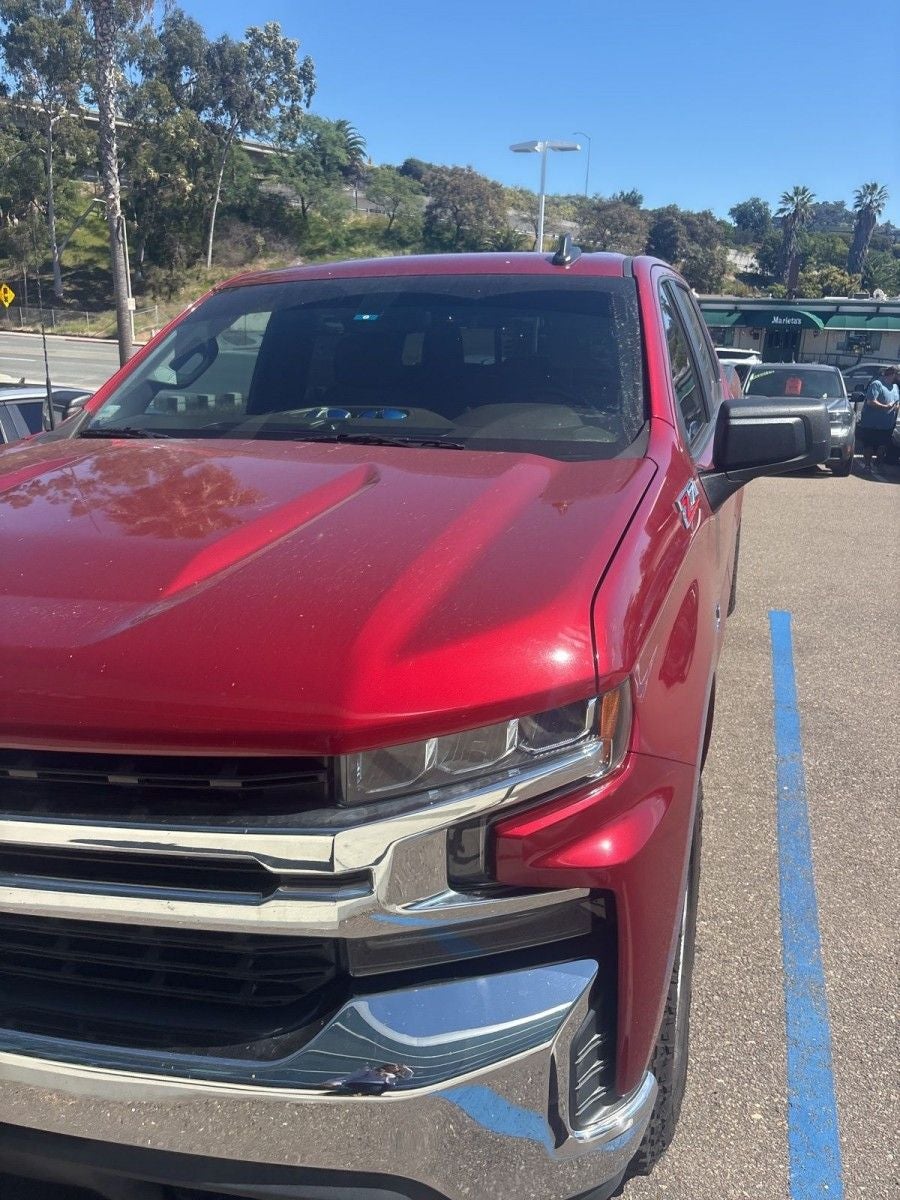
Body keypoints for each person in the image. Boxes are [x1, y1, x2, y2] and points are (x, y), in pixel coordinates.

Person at [856, 364, 899, 472]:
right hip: (872, 424)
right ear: (894, 374)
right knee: (869, 446)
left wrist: (896, 406)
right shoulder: (877, 384)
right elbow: (871, 401)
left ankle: (878, 465)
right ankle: (867, 466)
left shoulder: (895, 387)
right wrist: (885, 407)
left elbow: (897, 401)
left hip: (887, 424)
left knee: (882, 447)